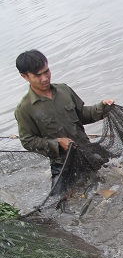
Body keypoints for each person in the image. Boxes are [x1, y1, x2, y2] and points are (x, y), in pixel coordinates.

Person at [14, 50, 114, 189]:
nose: (45, 78)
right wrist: (57, 143)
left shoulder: (64, 90)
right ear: (25, 77)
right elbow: (27, 141)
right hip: (63, 164)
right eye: (38, 75)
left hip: (87, 152)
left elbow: (82, 114)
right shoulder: (24, 109)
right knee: (59, 201)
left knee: (118, 174)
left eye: (46, 71)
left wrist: (101, 107)